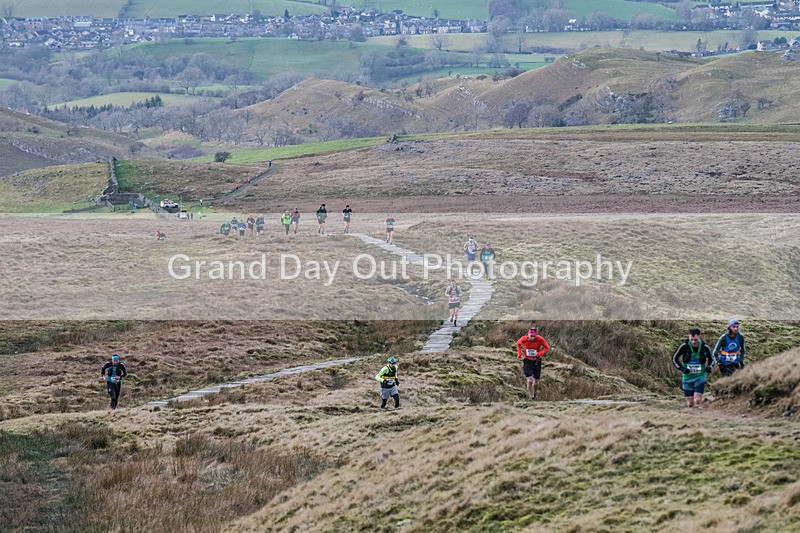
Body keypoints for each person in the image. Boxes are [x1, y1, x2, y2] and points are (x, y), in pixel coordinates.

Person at [672, 328, 714, 408]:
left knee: (697, 400)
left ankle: (699, 417)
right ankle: (692, 417)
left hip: (700, 377)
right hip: (687, 378)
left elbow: (712, 360)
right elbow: (674, 358)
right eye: (691, 340)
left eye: (695, 340)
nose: (693, 342)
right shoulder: (684, 346)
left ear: (699, 337)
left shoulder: (705, 347)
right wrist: (681, 368)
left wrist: (709, 367)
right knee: (690, 403)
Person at [515, 327, 550, 400]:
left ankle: (534, 393)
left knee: (536, 382)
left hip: (537, 361)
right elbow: (518, 344)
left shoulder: (540, 339)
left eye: (534, 336)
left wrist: (540, 353)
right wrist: (519, 354)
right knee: (530, 380)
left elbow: (547, 347)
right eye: (531, 336)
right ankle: (532, 397)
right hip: (527, 361)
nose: (532, 338)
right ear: (528, 334)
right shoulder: (524, 338)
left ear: (536, 335)